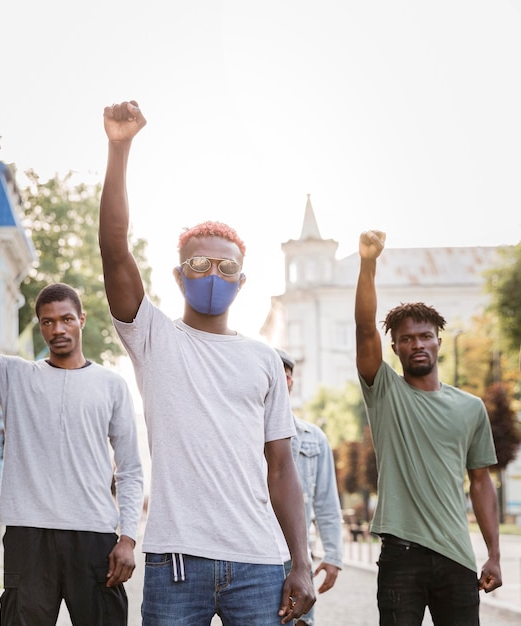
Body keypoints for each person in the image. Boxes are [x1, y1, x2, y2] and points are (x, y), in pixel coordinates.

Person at [98, 100, 316, 625]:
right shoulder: (153, 338)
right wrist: (119, 148)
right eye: (197, 263)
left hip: (260, 563)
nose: (211, 273)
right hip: (177, 561)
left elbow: (282, 467)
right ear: (178, 276)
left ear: (242, 280)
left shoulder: (264, 360)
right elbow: (113, 247)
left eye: (225, 266)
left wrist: (302, 562)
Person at [0, 253, 144, 626]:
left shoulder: (111, 386)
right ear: (40, 327)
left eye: (66, 319)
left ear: (81, 320)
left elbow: (130, 469)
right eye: (47, 322)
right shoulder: (14, 376)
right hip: (28, 535)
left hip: (94, 535)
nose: (58, 329)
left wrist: (127, 538)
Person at [355, 230, 502, 625]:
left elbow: (482, 481)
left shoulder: (470, 408)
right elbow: (365, 328)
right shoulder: (384, 391)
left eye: (424, 337)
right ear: (395, 348)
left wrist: (494, 554)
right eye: (406, 339)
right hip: (401, 556)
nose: (417, 344)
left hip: (456, 555)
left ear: (438, 342)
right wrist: (368, 263)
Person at [276, 349, 343, 626]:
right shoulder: (240, 435)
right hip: (253, 557)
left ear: (290, 383)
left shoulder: (313, 438)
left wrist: (333, 555)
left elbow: (326, 502)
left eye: (283, 377)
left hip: (297, 556)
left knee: (301, 623)